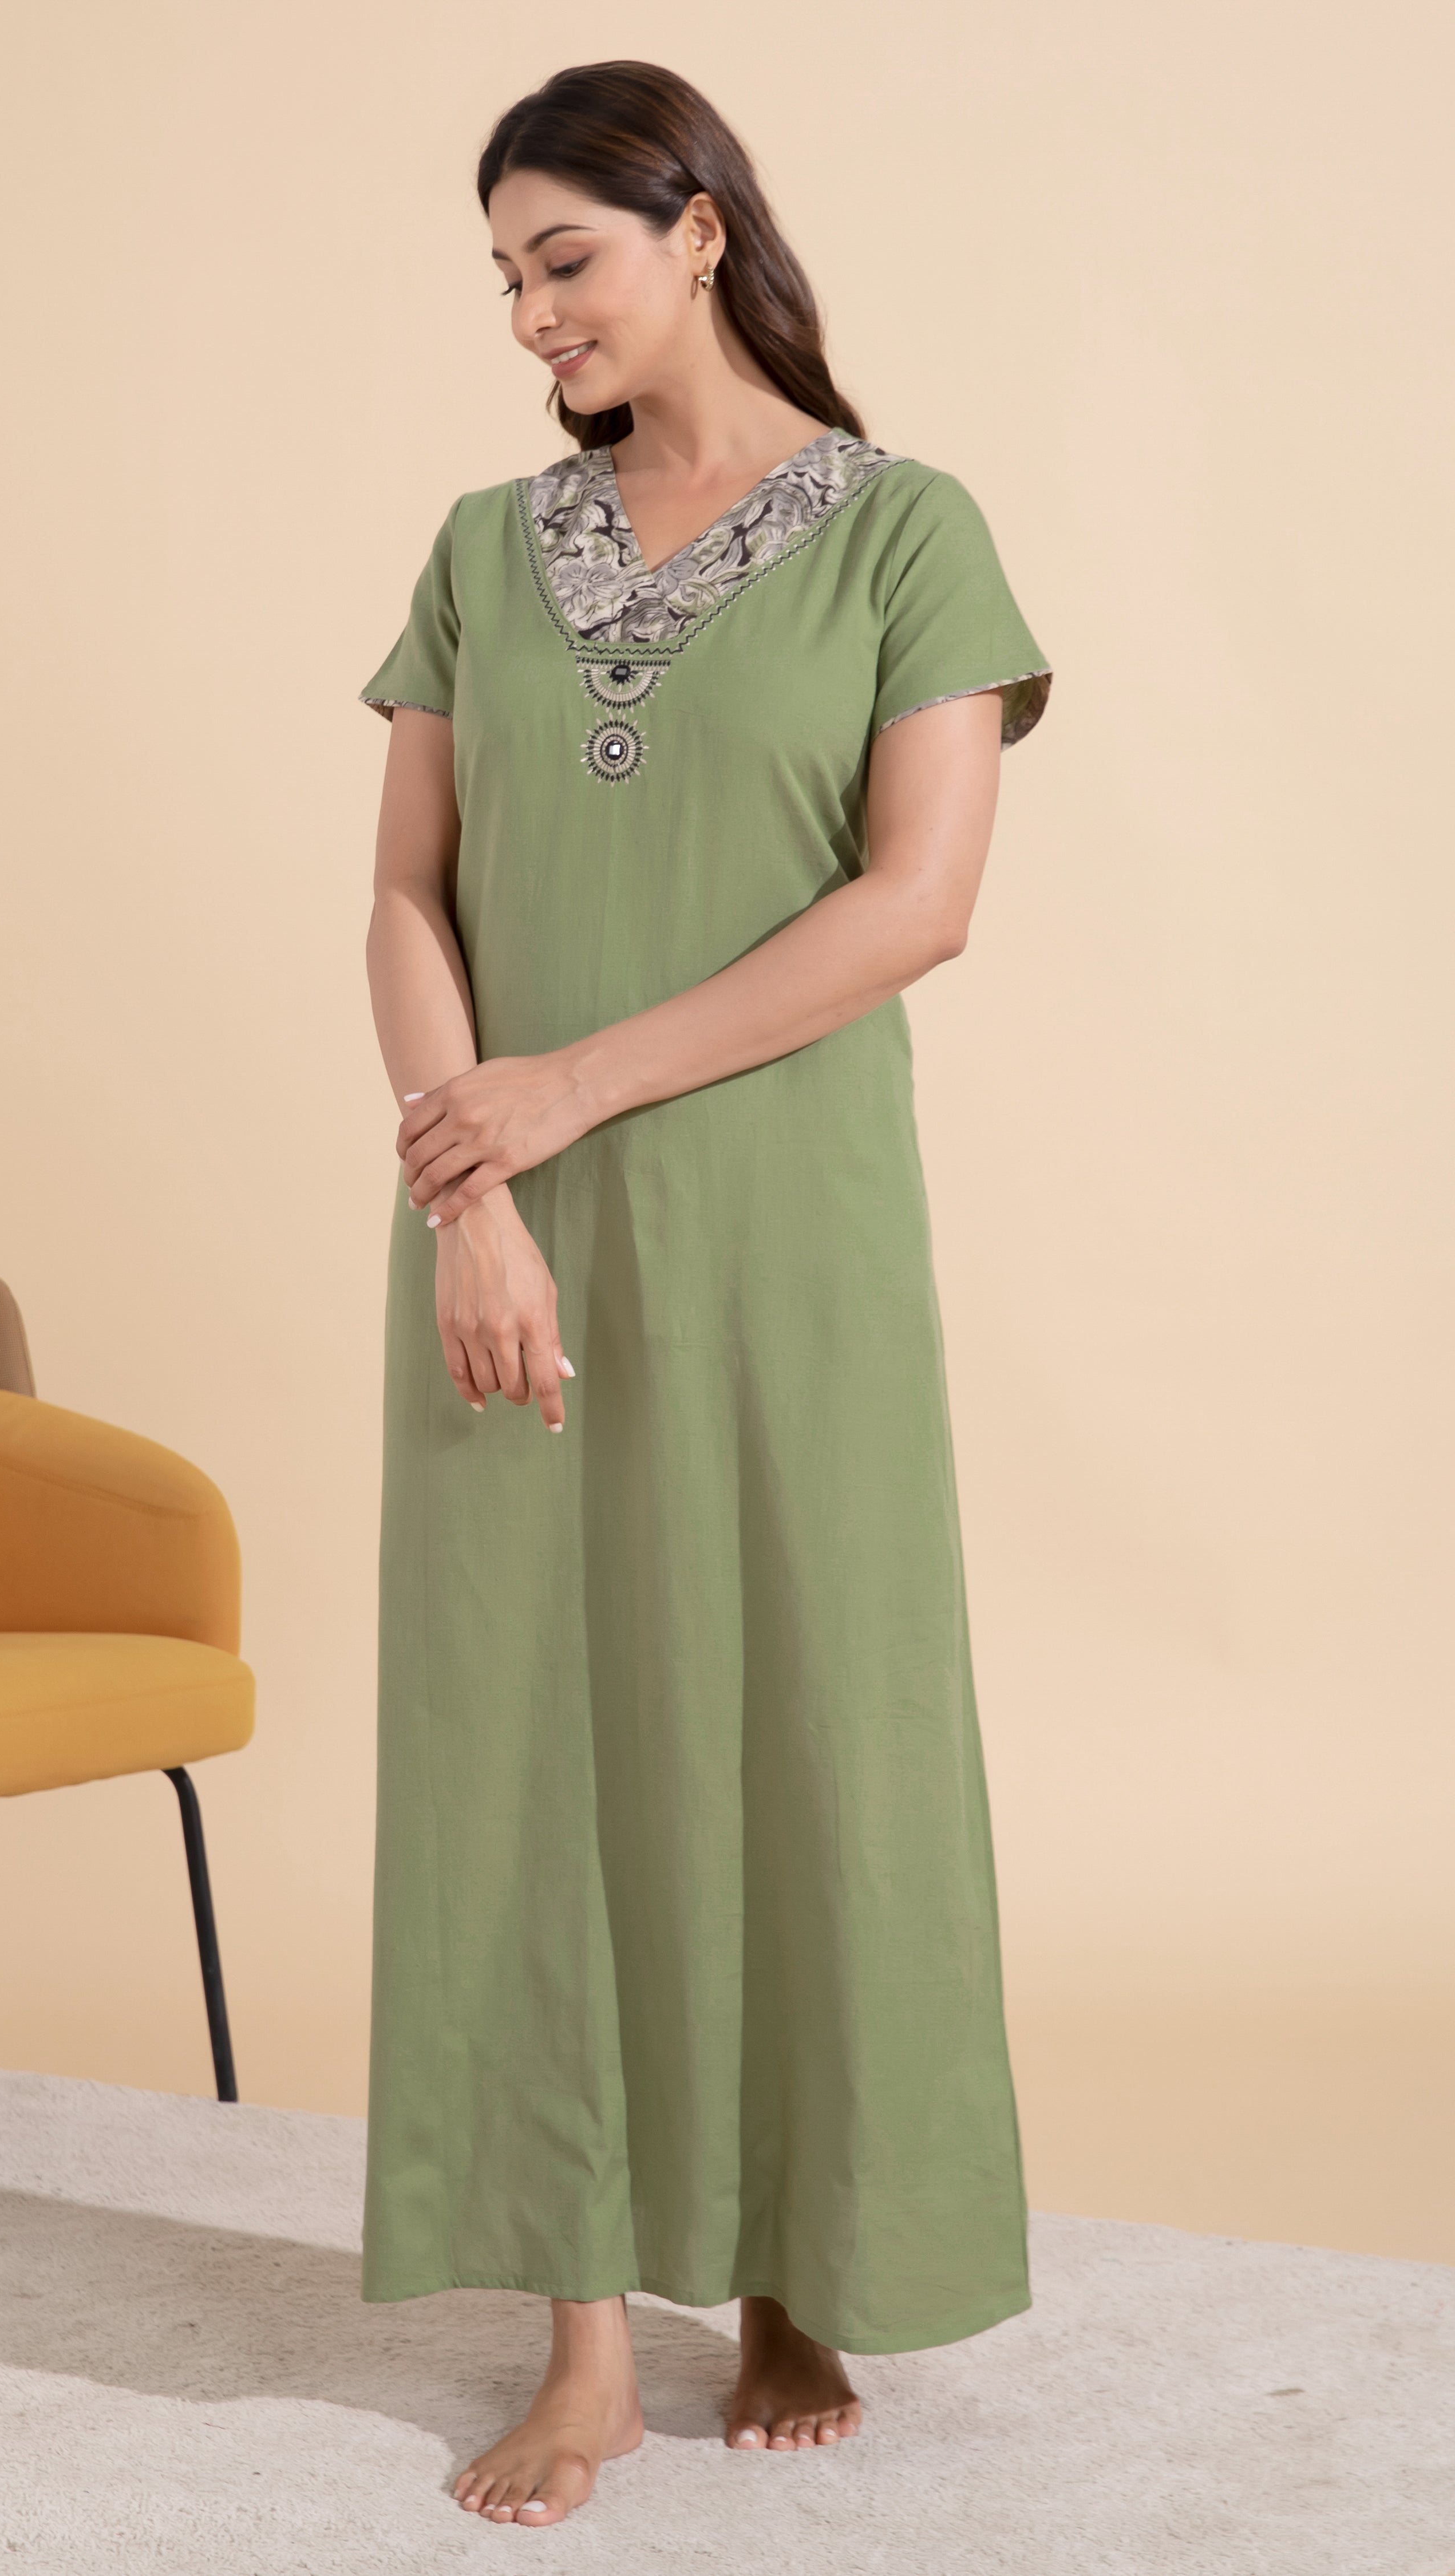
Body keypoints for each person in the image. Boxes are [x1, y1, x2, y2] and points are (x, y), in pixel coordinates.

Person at [360, 59, 1051, 2530]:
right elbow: (408, 892)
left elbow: (916, 904)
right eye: (505, 275)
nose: (531, 313)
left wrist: (566, 1087)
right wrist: (474, 1190)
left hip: (787, 1236)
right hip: (508, 1240)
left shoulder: (909, 533)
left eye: (565, 257)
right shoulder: (483, 547)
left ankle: (793, 2265)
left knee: (794, 1721)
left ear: (701, 232)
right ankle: (578, 2340)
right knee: (528, 1745)